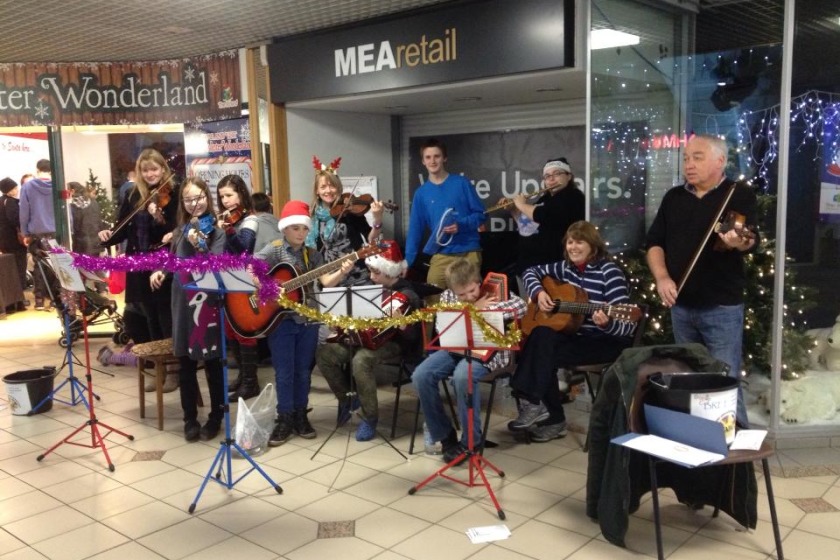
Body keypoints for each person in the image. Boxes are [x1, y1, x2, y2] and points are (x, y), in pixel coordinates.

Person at [645, 134, 758, 428]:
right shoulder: (674, 197)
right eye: (685, 158)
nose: (689, 164)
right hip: (681, 305)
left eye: (697, 157)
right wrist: (662, 277)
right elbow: (655, 243)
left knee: (725, 377)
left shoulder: (738, 194)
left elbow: (749, 241)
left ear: (720, 161)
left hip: (720, 306)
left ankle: (736, 450)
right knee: (689, 376)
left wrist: (737, 242)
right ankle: (697, 439)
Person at [509, 221, 636, 442]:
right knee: (541, 335)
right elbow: (530, 272)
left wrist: (606, 323)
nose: (573, 247)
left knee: (541, 352)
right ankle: (540, 408)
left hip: (604, 341)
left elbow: (627, 326)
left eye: (580, 242)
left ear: (593, 246)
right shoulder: (564, 268)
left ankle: (544, 412)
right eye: (570, 242)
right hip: (576, 337)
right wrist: (539, 293)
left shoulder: (609, 272)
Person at [254, 200, 354, 446]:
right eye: (295, 228)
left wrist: (343, 270)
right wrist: (269, 287)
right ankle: (284, 417)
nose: (300, 233)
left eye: (304, 229)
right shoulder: (274, 249)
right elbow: (250, 269)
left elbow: (326, 281)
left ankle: (301, 414)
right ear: (285, 229)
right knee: (284, 372)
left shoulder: (314, 255)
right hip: (281, 320)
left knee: (302, 372)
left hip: (308, 319)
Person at [413, 258, 527, 463]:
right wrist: (471, 309)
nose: (468, 297)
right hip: (455, 348)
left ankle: (470, 442)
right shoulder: (448, 296)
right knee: (421, 375)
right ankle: (445, 436)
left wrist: (484, 309)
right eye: (461, 295)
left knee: (462, 376)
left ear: (478, 282)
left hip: (488, 351)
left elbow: (521, 307)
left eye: (472, 291)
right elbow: (442, 328)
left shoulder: (493, 292)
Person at [315, 240, 423, 441]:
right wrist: (340, 324)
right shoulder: (369, 290)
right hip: (361, 339)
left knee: (361, 360)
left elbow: (413, 337)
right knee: (325, 354)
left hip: (395, 344)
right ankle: (349, 399)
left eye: (376, 272)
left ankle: (369, 417)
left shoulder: (408, 295)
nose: (371, 277)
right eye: (371, 271)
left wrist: (403, 326)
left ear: (390, 272)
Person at [150, 177, 225, 442]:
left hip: (206, 302)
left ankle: (216, 416)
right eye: (189, 199)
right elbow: (174, 260)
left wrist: (200, 244)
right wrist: (161, 270)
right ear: (183, 203)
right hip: (182, 300)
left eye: (200, 197)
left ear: (208, 197)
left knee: (213, 361)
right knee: (185, 361)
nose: (195, 203)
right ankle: (189, 418)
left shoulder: (217, 231)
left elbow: (214, 265)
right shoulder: (181, 230)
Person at [99, 149, 179, 392]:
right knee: (147, 318)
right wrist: (107, 237)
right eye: (145, 170)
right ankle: (159, 370)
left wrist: (159, 218)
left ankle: (174, 370)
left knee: (166, 317)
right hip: (138, 262)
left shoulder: (173, 194)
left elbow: (176, 230)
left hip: (162, 262)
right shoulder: (135, 194)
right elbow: (123, 227)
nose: (151, 174)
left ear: (163, 169)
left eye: (154, 169)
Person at [404, 138, 485, 296]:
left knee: (470, 299)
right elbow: (415, 230)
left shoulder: (461, 183)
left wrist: (460, 225)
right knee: (431, 297)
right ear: (423, 161)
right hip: (441, 254)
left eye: (437, 156)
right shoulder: (421, 194)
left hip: (468, 252)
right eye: (428, 157)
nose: (432, 161)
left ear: (444, 158)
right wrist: (407, 262)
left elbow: (481, 215)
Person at [215, 174, 261, 400]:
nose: (225, 201)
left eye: (229, 195)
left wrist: (229, 232)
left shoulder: (250, 220)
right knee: (231, 329)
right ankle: (243, 376)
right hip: (226, 280)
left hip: (243, 280)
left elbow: (244, 250)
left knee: (244, 330)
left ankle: (252, 383)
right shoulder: (227, 219)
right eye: (222, 196)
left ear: (241, 194)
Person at [307, 157, 385, 287]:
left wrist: (377, 218)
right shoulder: (313, 218)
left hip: (358, 275)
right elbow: (312, 252)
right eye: (323, 186)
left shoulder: (350, 210)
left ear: (338, 187)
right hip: (331, 278)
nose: (328, 190)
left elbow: (371, 239)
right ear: (317, 190)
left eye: (332, 186)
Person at [508, 157, 585, 277]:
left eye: (557, 174)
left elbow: (543, 215)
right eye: (547, 176)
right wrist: (513, 210)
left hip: (552, 269)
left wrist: (521, 204)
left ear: (569, 176)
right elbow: (527, 227)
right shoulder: (545, 199)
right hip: (529, 266)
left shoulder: (574, 197)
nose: (551, 179)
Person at [19, 159, 56, 310]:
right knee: (56, 266)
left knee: (39, 267)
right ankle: (56, 299)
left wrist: (25, 232)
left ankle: (39, 300)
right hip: (56, 232)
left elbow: (24, 212)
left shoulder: (28, 187)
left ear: (37, 170)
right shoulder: (58, 186)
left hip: (37, 233)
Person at [0, 178, 28, 310]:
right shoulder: (10, 202)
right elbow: (15, 220)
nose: (17, 190)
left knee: (9, 272)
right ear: (9, 190)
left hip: (4, 242)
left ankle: (11, 303)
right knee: (19, 270)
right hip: (15, 242)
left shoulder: (1, 201)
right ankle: (20, 301)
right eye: (15, 188)